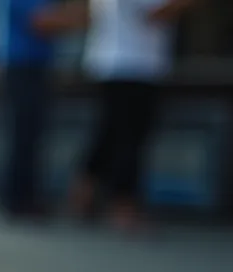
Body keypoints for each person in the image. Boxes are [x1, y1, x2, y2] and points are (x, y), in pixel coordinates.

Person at [69, 0, 194, 230]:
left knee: (110, 134)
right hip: (128, 65)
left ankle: (85, 196)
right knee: (128, 139)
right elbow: (153, 15)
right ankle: (122, 206)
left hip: (131, 65)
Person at [0, 0, 89, 219]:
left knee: (32, 135)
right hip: (22, 66)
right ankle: (17, 199)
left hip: (34, 66)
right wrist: (80, 18)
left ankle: (26, 197)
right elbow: (41, 21)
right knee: (23, 135)